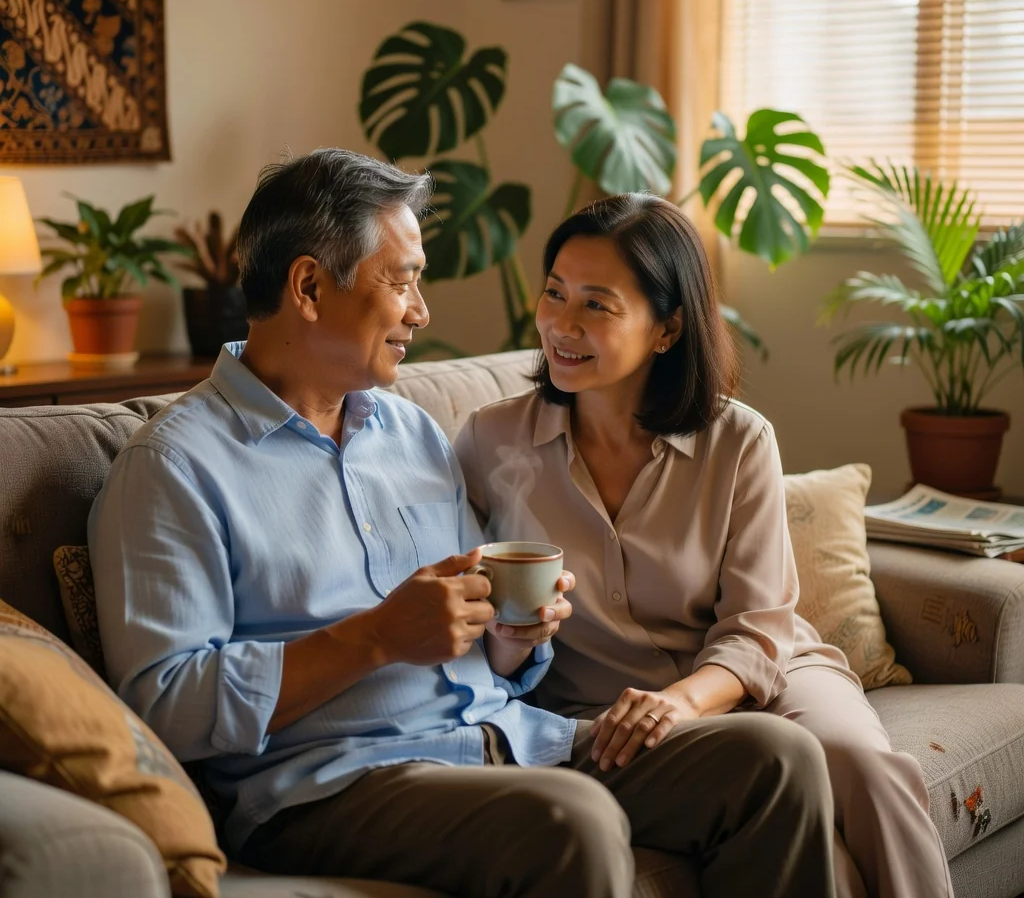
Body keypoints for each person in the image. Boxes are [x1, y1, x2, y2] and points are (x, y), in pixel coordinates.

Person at [90, 152, 836, 898]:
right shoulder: (172, 468)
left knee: (775, 761)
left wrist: (514, 636)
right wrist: (375, 637)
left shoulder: (411, 434)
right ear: (310, 287)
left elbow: (476, 648)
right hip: (331, 784)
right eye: (402, 280)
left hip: (512, 741)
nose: (421, 311)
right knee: (569, 820)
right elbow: (165, 706)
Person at [456, 192, 954, 898]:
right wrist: (512, 631)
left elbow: (757, 626)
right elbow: (474, 616)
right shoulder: (489, 441)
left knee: (865, 767)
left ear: (667, 329)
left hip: (765, 670)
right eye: (554, 293)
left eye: (596, 305)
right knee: (828, 864)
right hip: (606, 706)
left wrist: (685, 702)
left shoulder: (739, 440)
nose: (560, 325)